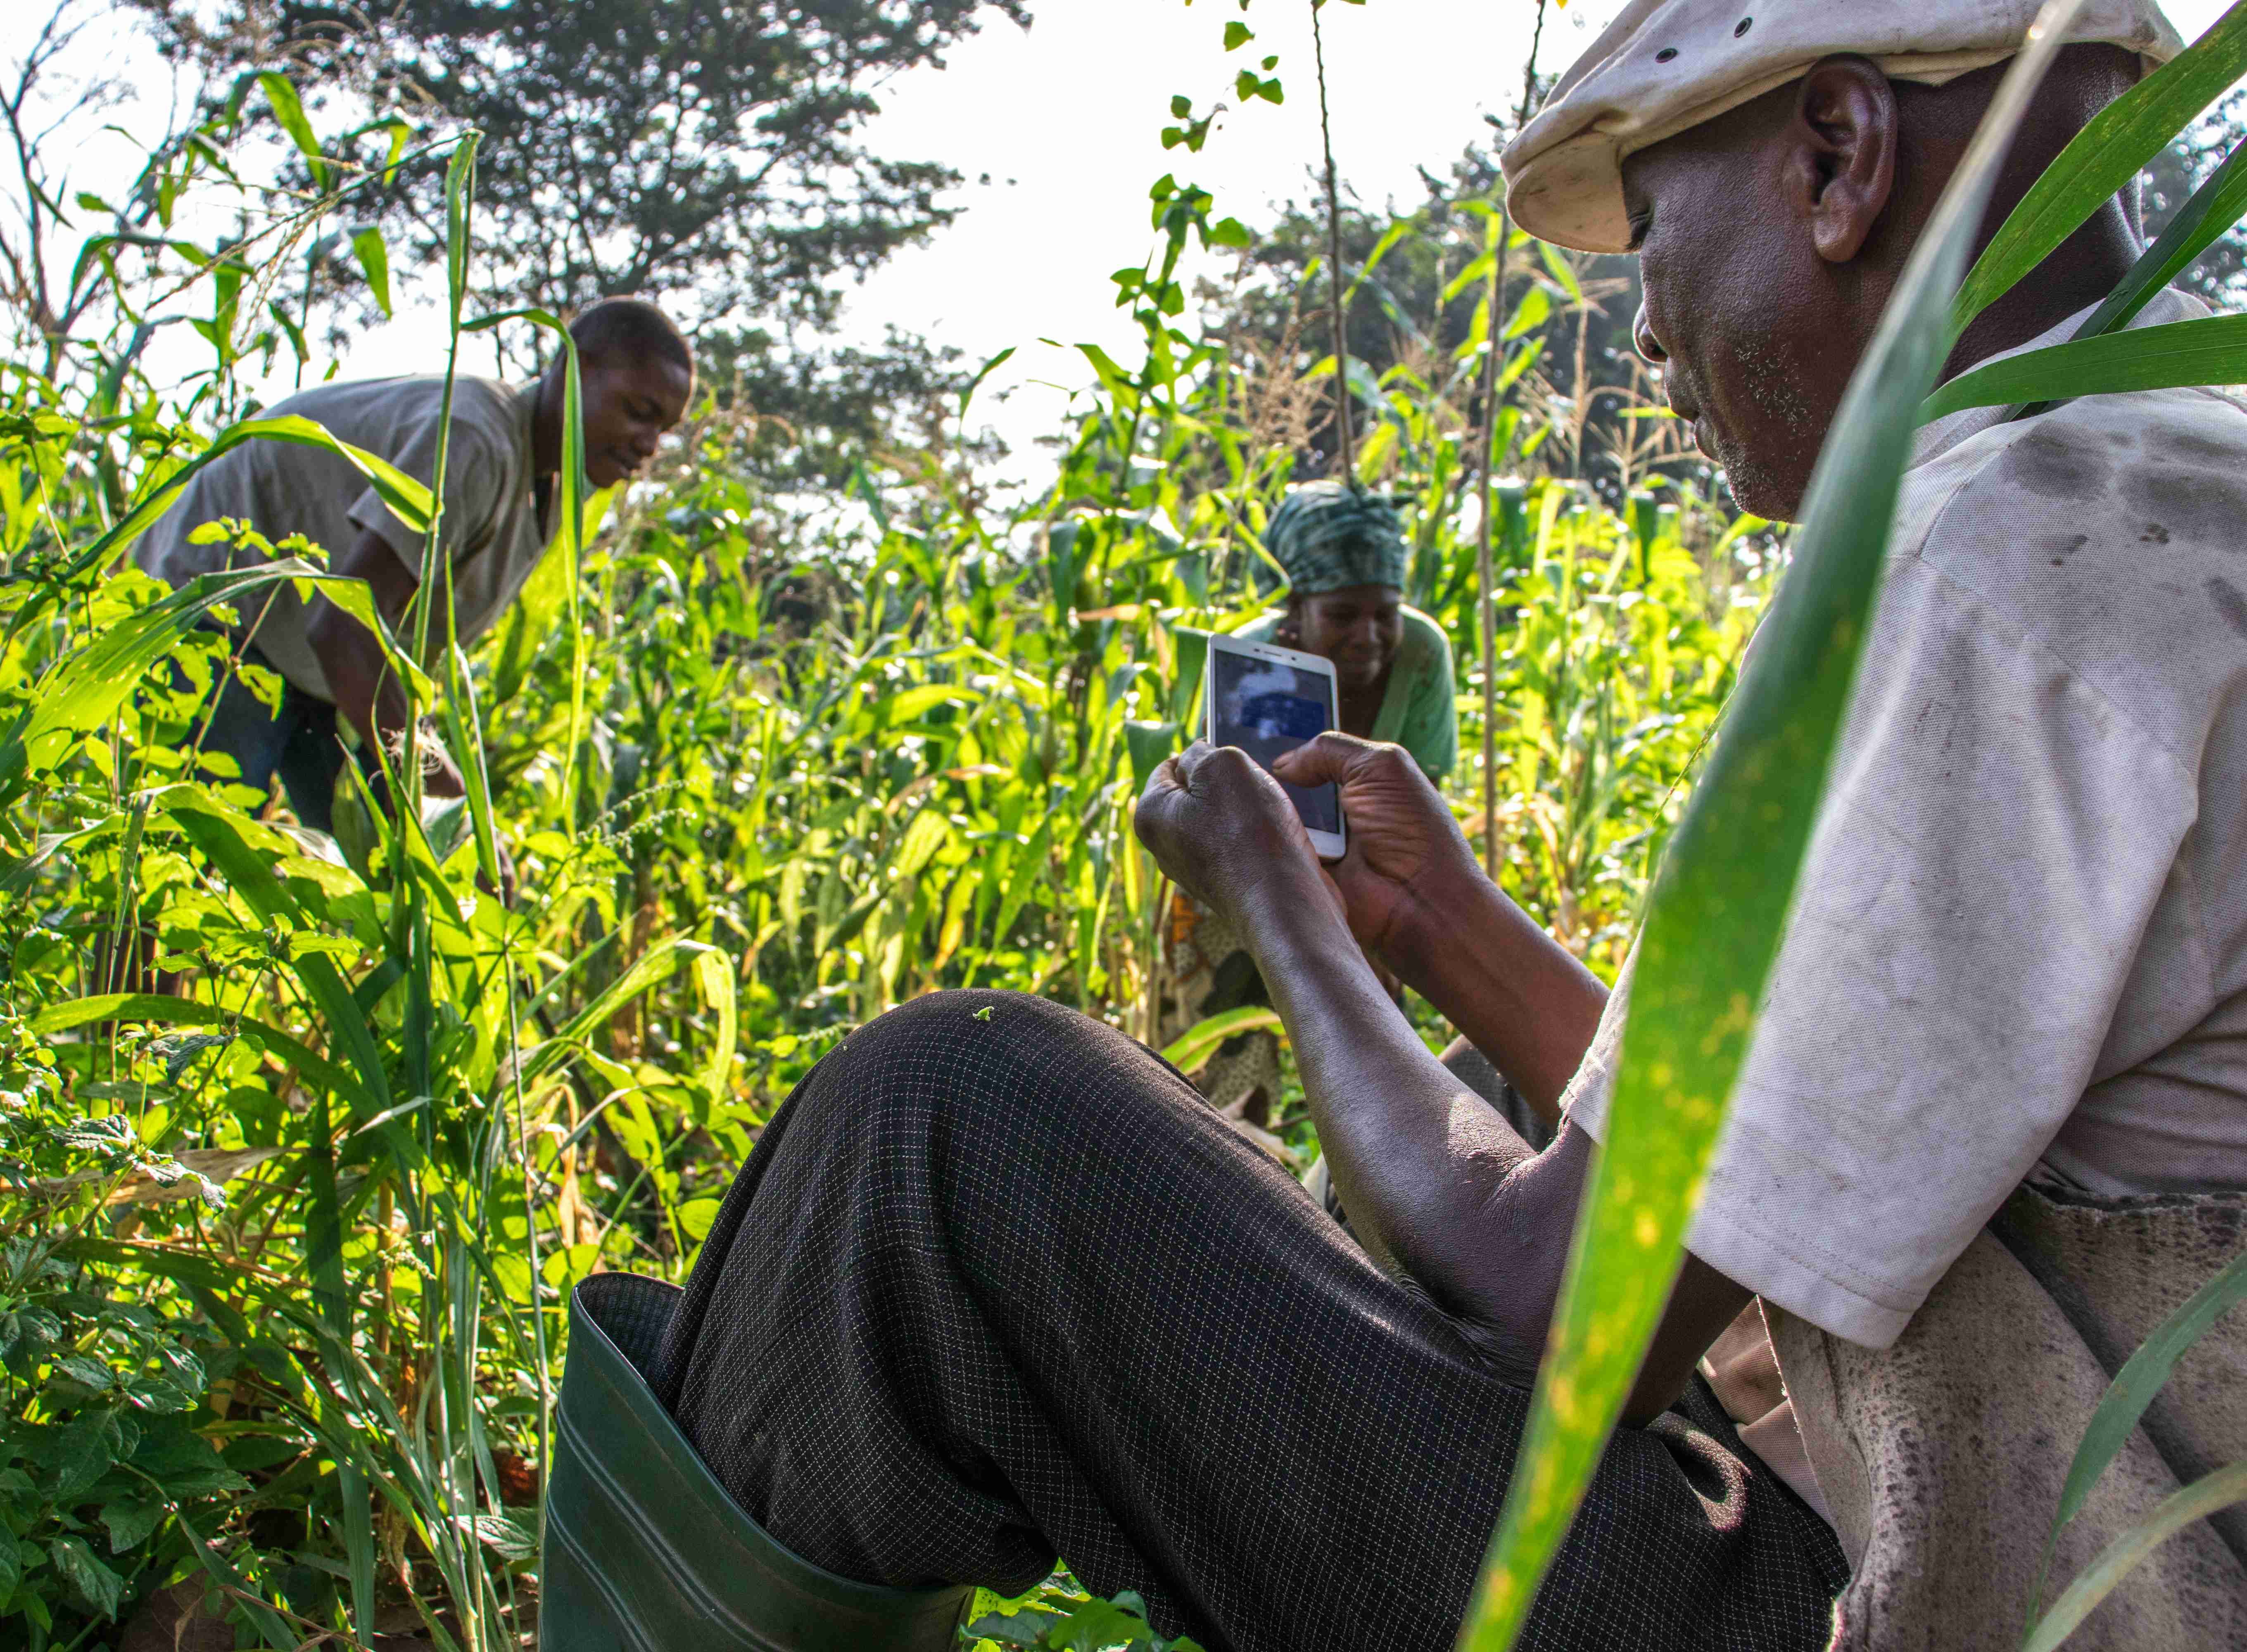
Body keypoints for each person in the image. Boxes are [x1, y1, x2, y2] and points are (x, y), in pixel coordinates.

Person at [613, 3, 2247, 1648]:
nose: (1653, 338)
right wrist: (1438, 927)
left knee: (944, 1118)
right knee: (1457, 1093)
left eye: (1656, 232)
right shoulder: (2163, 486)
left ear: (1836, 160)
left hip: (1910, 1599)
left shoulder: (1991, 569)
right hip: (1997, 1519)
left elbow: (1558, 1305)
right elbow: (1780, 1157)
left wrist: (1284, 910)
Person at [135, 298, 692, 828]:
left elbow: (382, 648)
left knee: (387, 876)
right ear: (573, 368)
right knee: (187, 862)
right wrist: (450, 795)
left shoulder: (550, 488)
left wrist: (446, 815)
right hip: (220, 614)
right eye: (638, 413)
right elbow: (343, 625)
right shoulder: (474, 438)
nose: (649, 446)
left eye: (663, 431)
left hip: (312, 666)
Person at [1151, 483, 1457, 1143]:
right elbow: (1220, 807)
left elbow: (1420, 801)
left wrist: (1370, 921)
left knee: (1379, 1065)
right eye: (1342, 615)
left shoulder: (1421, 656)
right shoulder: (1248, 666)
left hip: (1367, 873)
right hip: (1238, 873)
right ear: (1298, 609)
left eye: (1384, 614)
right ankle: (1244, 1177)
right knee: (1230, 1074)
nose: (1368, 637)